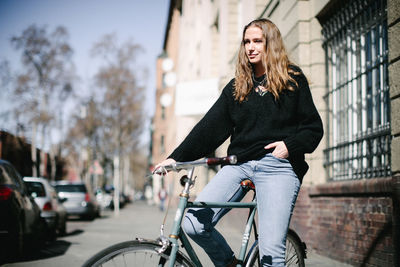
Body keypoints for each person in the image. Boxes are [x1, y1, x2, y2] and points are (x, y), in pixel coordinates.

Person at [155, 18, 323, 267]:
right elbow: (208, 129)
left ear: (270, 44)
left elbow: (313, 129)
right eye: (247, 41)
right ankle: (230, 264)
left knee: (271, 252)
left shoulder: (292, 79)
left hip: (278, 166)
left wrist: (289, 146)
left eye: (257, 41)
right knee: (192, 222)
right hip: (240, 164)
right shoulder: (237, 87)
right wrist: (175, 158)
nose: (251, 47)